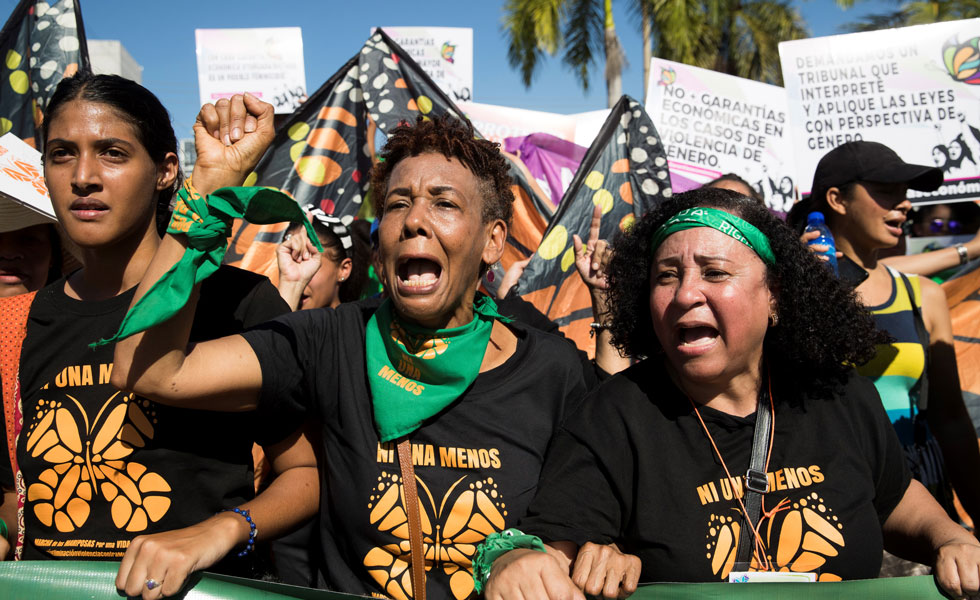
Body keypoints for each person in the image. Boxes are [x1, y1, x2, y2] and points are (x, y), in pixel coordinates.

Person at [109, 114, 589, 600]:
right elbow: (147, 369)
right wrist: (209, 186)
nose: (415, 221)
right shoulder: (330, 340)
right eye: (399, 204)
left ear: (493, 242)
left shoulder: (556, 372)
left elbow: (578, 524)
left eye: (444, 203)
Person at [484, 188, 980, 600]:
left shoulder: (840, 394)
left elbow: (892, 495)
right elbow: (554, 552)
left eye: (715, 273)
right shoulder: (613, 416)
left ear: (776, 295)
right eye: (667, 276)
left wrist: (950, 537)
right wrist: (525, 561)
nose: (684, 294)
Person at [0, 73, 317, 596]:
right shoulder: (16, 323)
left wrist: (220, 531)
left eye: (112, 153)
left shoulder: (237, 301)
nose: (83, 176)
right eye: (61, 154)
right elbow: (15, 492)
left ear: (167, 171)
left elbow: (305, 472)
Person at [788, 141, 980, 536]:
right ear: (837, 200)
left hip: (924, 508)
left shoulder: (922, 294)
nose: (905, 204)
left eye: (906, 194)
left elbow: (950, 418)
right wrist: (794, 283)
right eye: (887, 191)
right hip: (828, 512)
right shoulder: (789, 291)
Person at [276, 206, 369, 311]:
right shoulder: (267, 320)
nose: (300, 274)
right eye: (291, 260)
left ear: (344, 269)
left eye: (307, 260)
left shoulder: (360, 324)